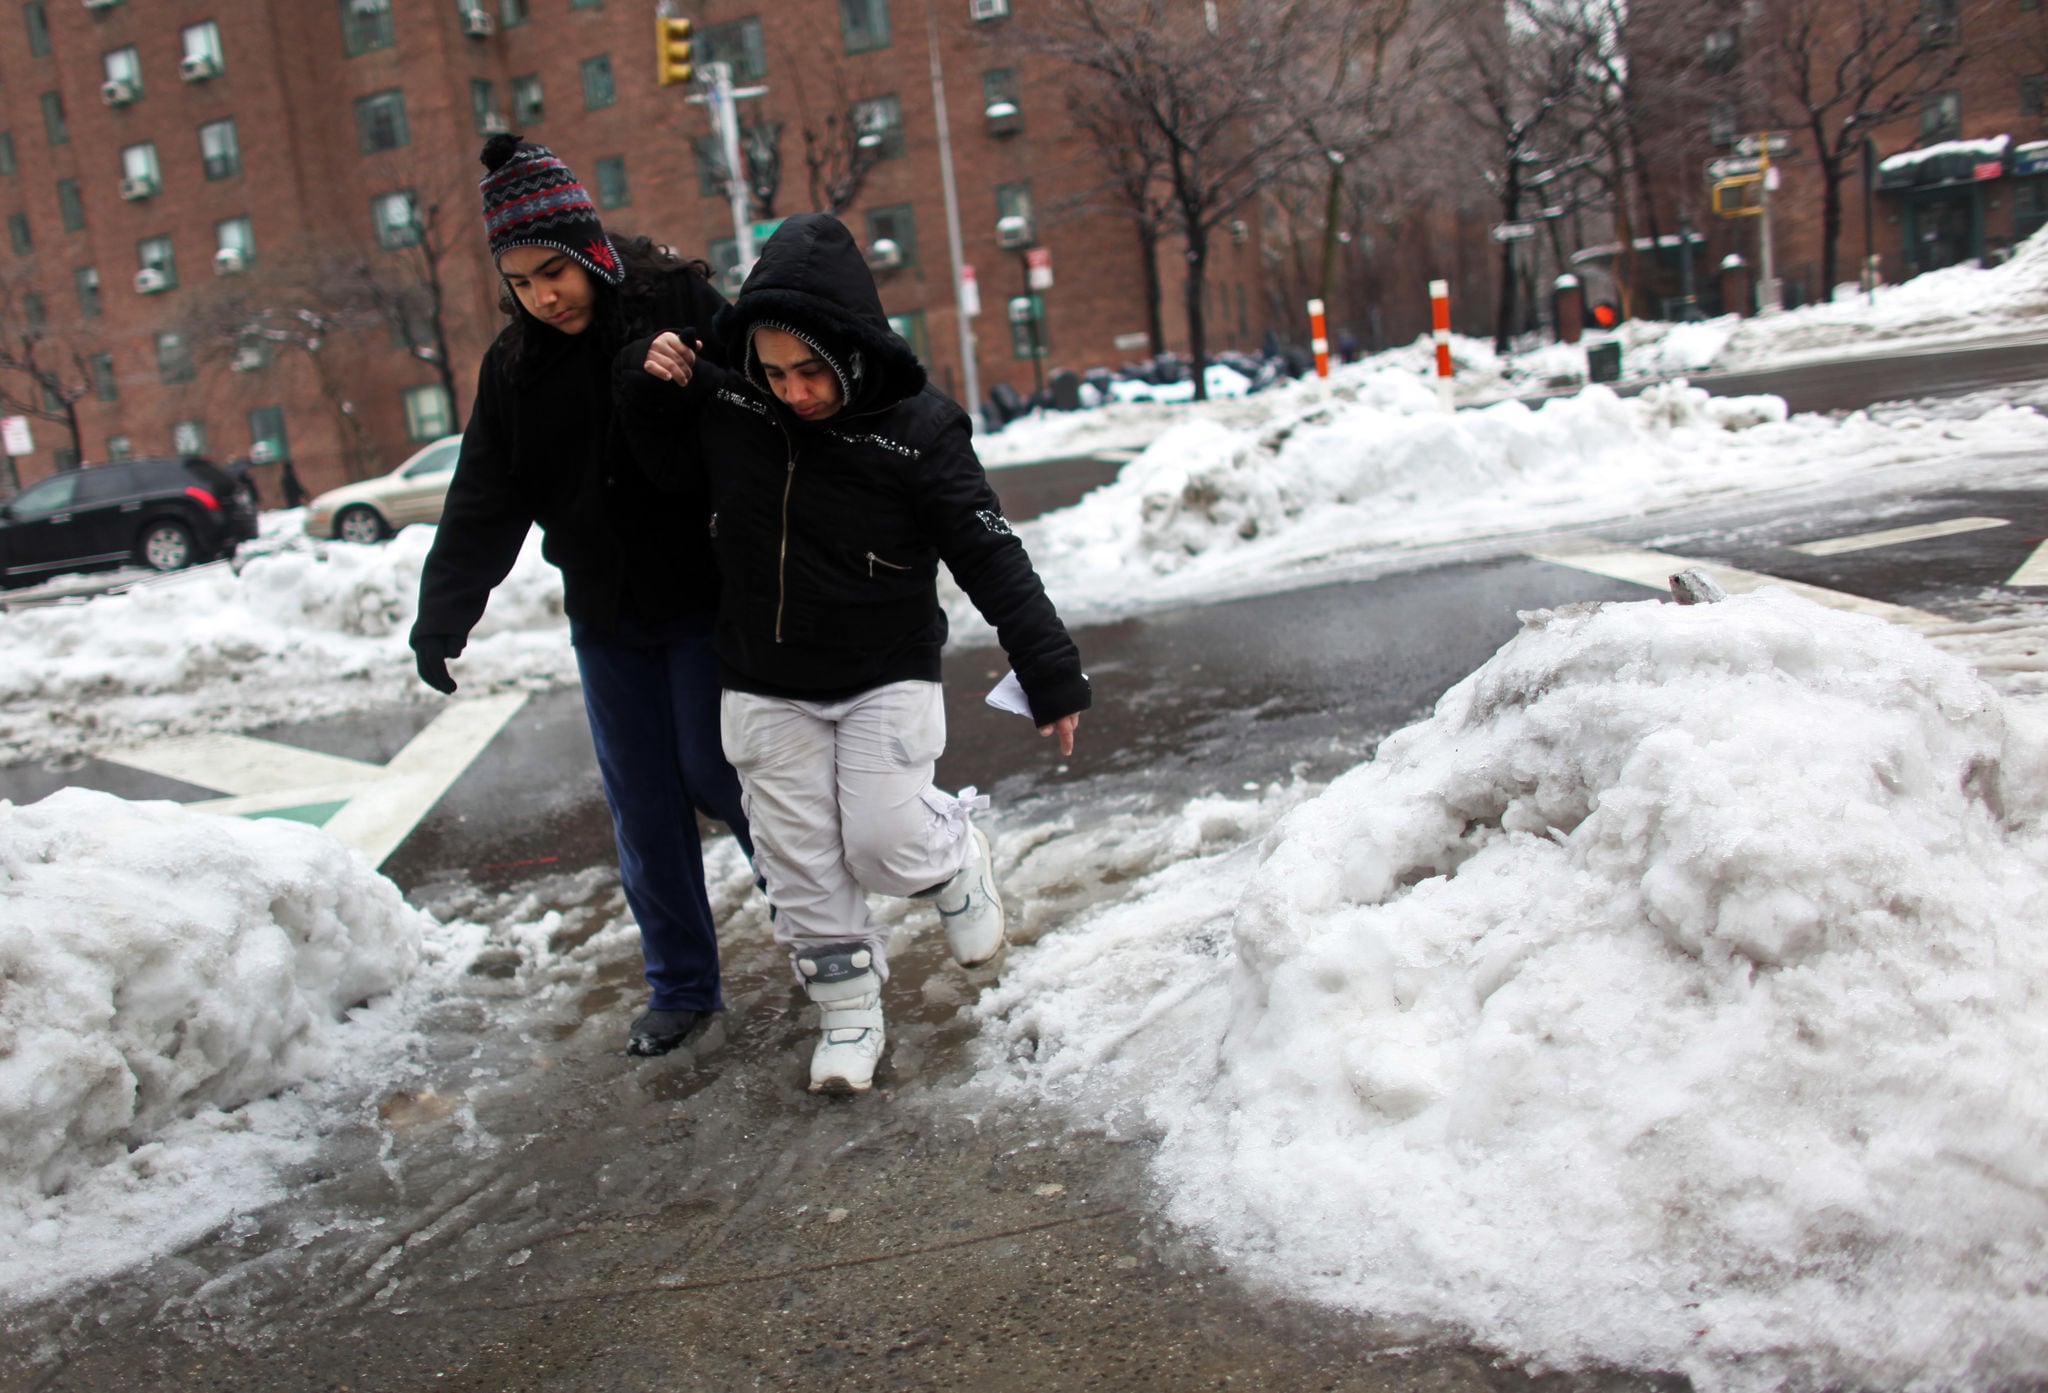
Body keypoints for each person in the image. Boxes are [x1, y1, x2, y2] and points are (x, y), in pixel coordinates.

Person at [616, 213, 1090, 1096]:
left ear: (853, 354)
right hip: (762, 678)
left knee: (881, 842)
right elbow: (662, 472)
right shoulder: (731, 405)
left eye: (809, 374)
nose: (789, 391)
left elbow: (989, 549)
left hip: (884, 669)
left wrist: (1048, 665)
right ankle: (847, 1014)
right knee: (797, 861)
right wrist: (646, 386)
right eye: (772, 371)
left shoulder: (921, 430)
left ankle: (953, 860)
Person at [410, 133, 752, 1060]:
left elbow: (754, 403)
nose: (542, 295)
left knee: (717, 772)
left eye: (552, 270)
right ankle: (681, 986)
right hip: (605, 619)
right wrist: (444, 615)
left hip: (699, 596)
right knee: (642, 803)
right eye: (520, 281)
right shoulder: (516, 367)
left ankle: (824, 934)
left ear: (589, 246)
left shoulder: (675, 302)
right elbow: (485, 495)